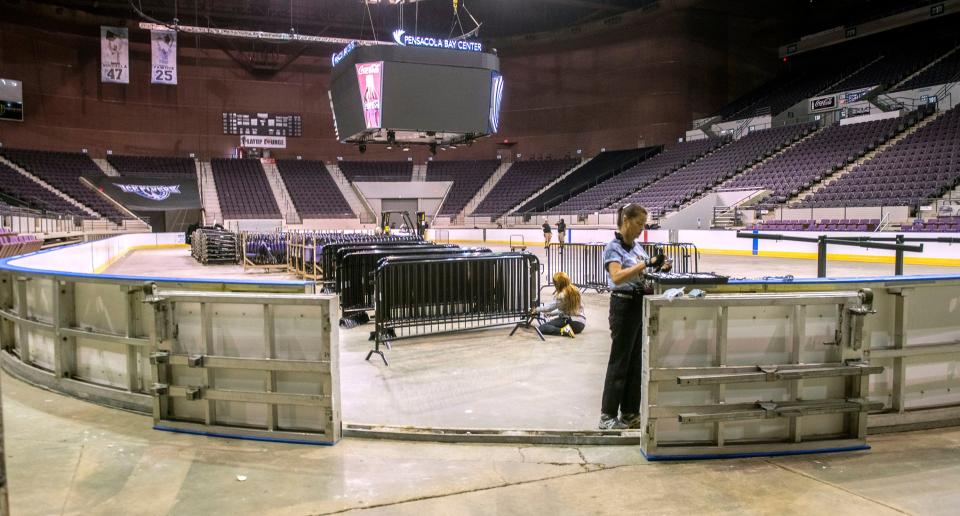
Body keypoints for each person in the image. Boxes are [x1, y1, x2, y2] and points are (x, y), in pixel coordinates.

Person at [599, 203, 671, 430]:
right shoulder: (613, 248)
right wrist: (645, 263)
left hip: (639, 306)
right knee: (619, 363)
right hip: (623, 306)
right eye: (639, 223)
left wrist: (660, 267)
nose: (642, 228)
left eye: (644, 224)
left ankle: (630, 412)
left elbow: (645, 271)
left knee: (635, 364)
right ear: (626, 220)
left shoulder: (637, 248)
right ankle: (607, 416)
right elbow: (617, 276)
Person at [531, 272, 586, 337]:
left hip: (570, 322)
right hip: (581, 324)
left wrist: (536, 309)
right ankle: (565, 330)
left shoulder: (561, 295)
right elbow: (566, 310)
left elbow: (549, 308)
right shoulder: (575, 290)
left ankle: (564, 331)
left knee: (542, 328)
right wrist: (551, 314)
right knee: (554, 321)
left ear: (558, 284)